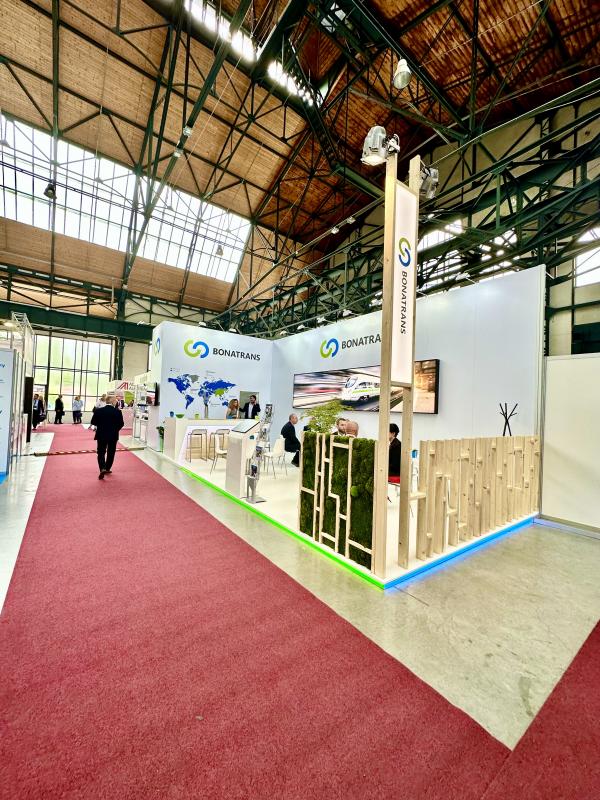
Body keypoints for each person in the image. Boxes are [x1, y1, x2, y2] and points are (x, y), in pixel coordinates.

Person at [90, 395, 124, 480]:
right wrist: (115, 430)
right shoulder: (117, 412)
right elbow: (121, 424)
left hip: (101, 434)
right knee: (111, 452)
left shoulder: (98, 411)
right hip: (113, 435)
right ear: (112, 402)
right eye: (115, 401)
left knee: (101, 452)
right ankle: (108, 468)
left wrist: (101, 426)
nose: (116, 402)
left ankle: (102, 468)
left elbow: (93, 422)